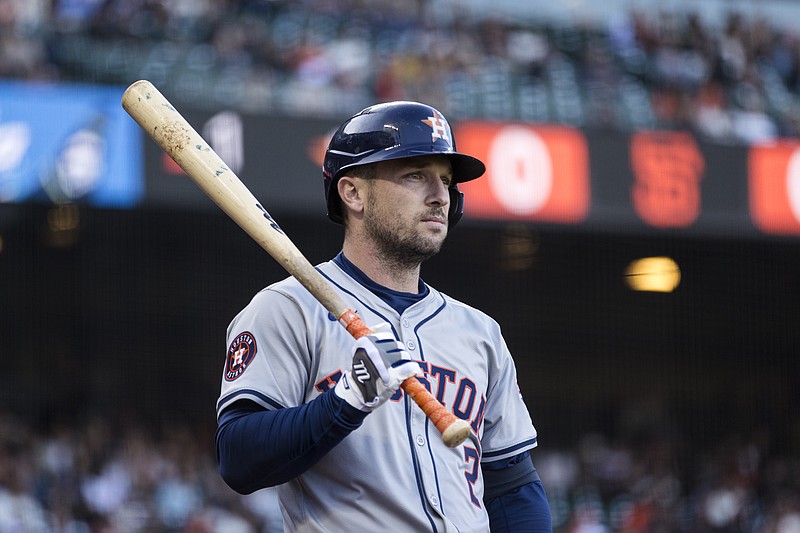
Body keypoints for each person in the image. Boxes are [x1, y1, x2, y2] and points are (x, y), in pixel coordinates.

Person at [215, 101, 552, 532]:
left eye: (446, 181)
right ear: (352, 192)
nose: (439, 196)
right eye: (415, 175)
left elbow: (511, 488)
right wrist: (344, 401)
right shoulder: (289, 308)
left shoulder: (480, 333)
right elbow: (238, 458)